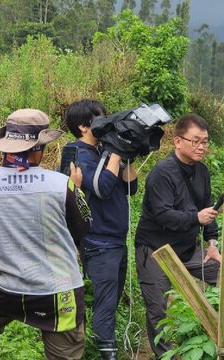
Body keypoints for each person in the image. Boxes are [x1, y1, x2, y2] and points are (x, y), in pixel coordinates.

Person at [0, 108, 92, 360]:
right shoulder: (61, 184)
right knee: (65, 353)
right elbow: (83, 227)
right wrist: (76, 189)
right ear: (39, 148)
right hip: (59, 294)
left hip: (7, 289)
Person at [134, 114, 222, 358]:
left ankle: (218, 336)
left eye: (205, 141)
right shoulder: (162, 173)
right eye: (195, 141)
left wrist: (212, 243)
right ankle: (164, 355)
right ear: (177, 141)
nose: (201, 147)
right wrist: (195, 218)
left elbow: (208, 209)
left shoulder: (202, 172)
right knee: (157, 310)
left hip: (186, 248)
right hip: (155, 249)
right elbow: (163, 216)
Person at [63, 99, 139, 360]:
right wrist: (116, 152)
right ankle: (106, 352)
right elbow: (103, 188)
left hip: (115, 239)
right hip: (97, 241)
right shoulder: (77, 154)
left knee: (112, 299)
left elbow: (131, 188)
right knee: (106, 301)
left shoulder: (101, 151)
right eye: (100, 119)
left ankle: (100, 343)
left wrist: (126, 153)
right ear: (84, 126)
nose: (107, 124)